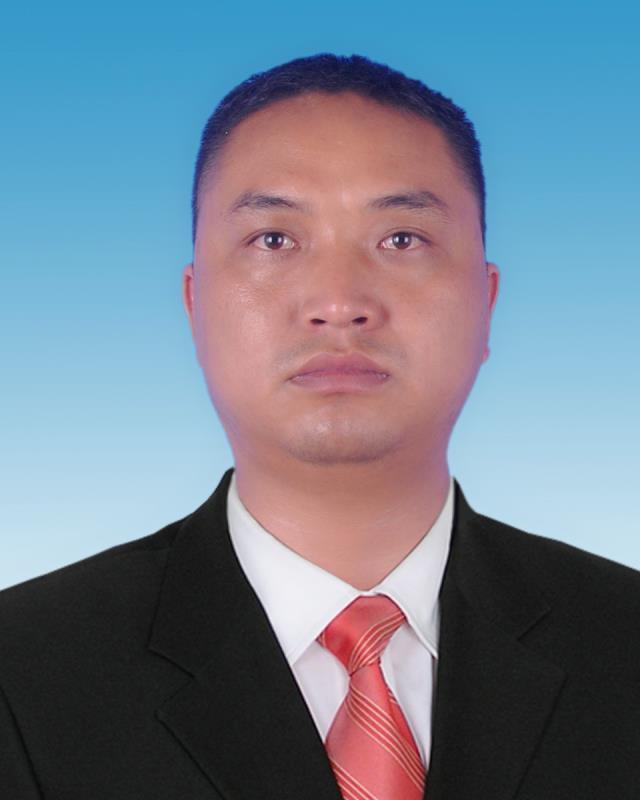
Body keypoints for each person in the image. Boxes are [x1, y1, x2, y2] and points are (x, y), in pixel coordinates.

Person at [0, 52, 638, 800]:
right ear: (194, 305)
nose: (339, 303)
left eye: (401, 239)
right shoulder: (23, 673)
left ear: (487, 303)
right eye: (274, 239)